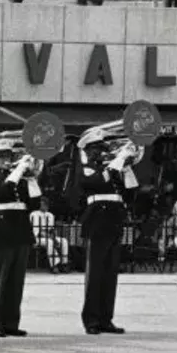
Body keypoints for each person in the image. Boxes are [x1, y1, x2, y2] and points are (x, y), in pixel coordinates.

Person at [77, 132, 135, 334]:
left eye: (102, 148)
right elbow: (98, 182)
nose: (101, 152)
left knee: (110, 275)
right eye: (97, 149)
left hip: (113, 222)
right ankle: (91, 320)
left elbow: (130, 191)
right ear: (88, 151)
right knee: (95, 274)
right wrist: (118, 160)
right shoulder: (86, 169)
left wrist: (127, 167)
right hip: (97, 223)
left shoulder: (113, 169)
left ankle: (105, 318)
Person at [0, 148, 42, 337]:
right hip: (2, 231)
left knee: (16, 281)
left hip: (20, 230)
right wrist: (19, 170)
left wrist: (32, 178)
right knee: (1, 279)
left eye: (8, 156)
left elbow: (35, 203)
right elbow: (0, 192)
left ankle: (11, 322)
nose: (6, 160)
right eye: (0, 157)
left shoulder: (19, 179)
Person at [29, 197, 68, 272]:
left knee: (64, 241)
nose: (45, 206)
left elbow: (51, 229)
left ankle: (64, 263)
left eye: (46, 204)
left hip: (49, 236)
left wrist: (54, 237)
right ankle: (54, 265)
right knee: (49, 242)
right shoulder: (34, 214)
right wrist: (52, 238)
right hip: (37, 238)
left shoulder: (50, 215)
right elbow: (37, 232)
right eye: (42, 204)